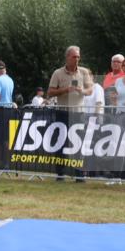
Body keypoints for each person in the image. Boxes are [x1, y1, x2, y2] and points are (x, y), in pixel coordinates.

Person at [48, 46, 94, 181]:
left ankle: (79, 175)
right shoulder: (58, 73)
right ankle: (60, 174)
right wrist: (65, 90)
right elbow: (50, 92)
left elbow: (90, 91)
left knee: (78, 144)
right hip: (62, 112)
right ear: (67, 57)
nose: (77, 59)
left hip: (79, 113)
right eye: (74, 57)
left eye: (78, 57)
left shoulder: (84, 72)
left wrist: (82, 91)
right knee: (60, 143)